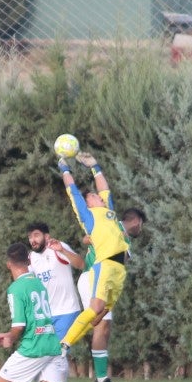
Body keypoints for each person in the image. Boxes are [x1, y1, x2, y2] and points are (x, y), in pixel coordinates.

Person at [0, 242, 86, 382]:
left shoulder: (16, 289)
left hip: (34, 347)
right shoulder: (38, 284)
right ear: (28, 261)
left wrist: (9, 337)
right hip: (53, 345)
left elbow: (19, 326)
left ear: (9, 265)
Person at [56, 151, 140, 359]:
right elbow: (73, 192)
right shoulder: (88, 215)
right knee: (96, 308)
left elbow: (105, 189)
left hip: (119, 270)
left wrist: (95, 167)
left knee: (99, 315)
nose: (98, 195)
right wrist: (65, 168)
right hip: (104, 265)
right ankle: (64, 343)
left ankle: (70, 340)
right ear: (88, 203)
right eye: (93, 196)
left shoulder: (109, 213)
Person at [71, 206, 147, 382]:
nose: (141, 229)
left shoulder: (126, 239)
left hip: (105, 280)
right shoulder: (112, 224)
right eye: (142, 225)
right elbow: (87, 237)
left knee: (102, 326)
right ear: (137, 221)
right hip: (92, 275)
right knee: (100, 324)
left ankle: (100, 378)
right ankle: (66, 348)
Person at [26, 222, 83, 382]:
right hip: (46, 315)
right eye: (30, 237)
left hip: (67, 311)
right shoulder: (31, 258)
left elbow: (81, 264)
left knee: (58, 354)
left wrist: (63, 251)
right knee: (44, 356)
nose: (32, 240)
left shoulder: (58, 248)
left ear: (47, 236)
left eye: (36, 235)